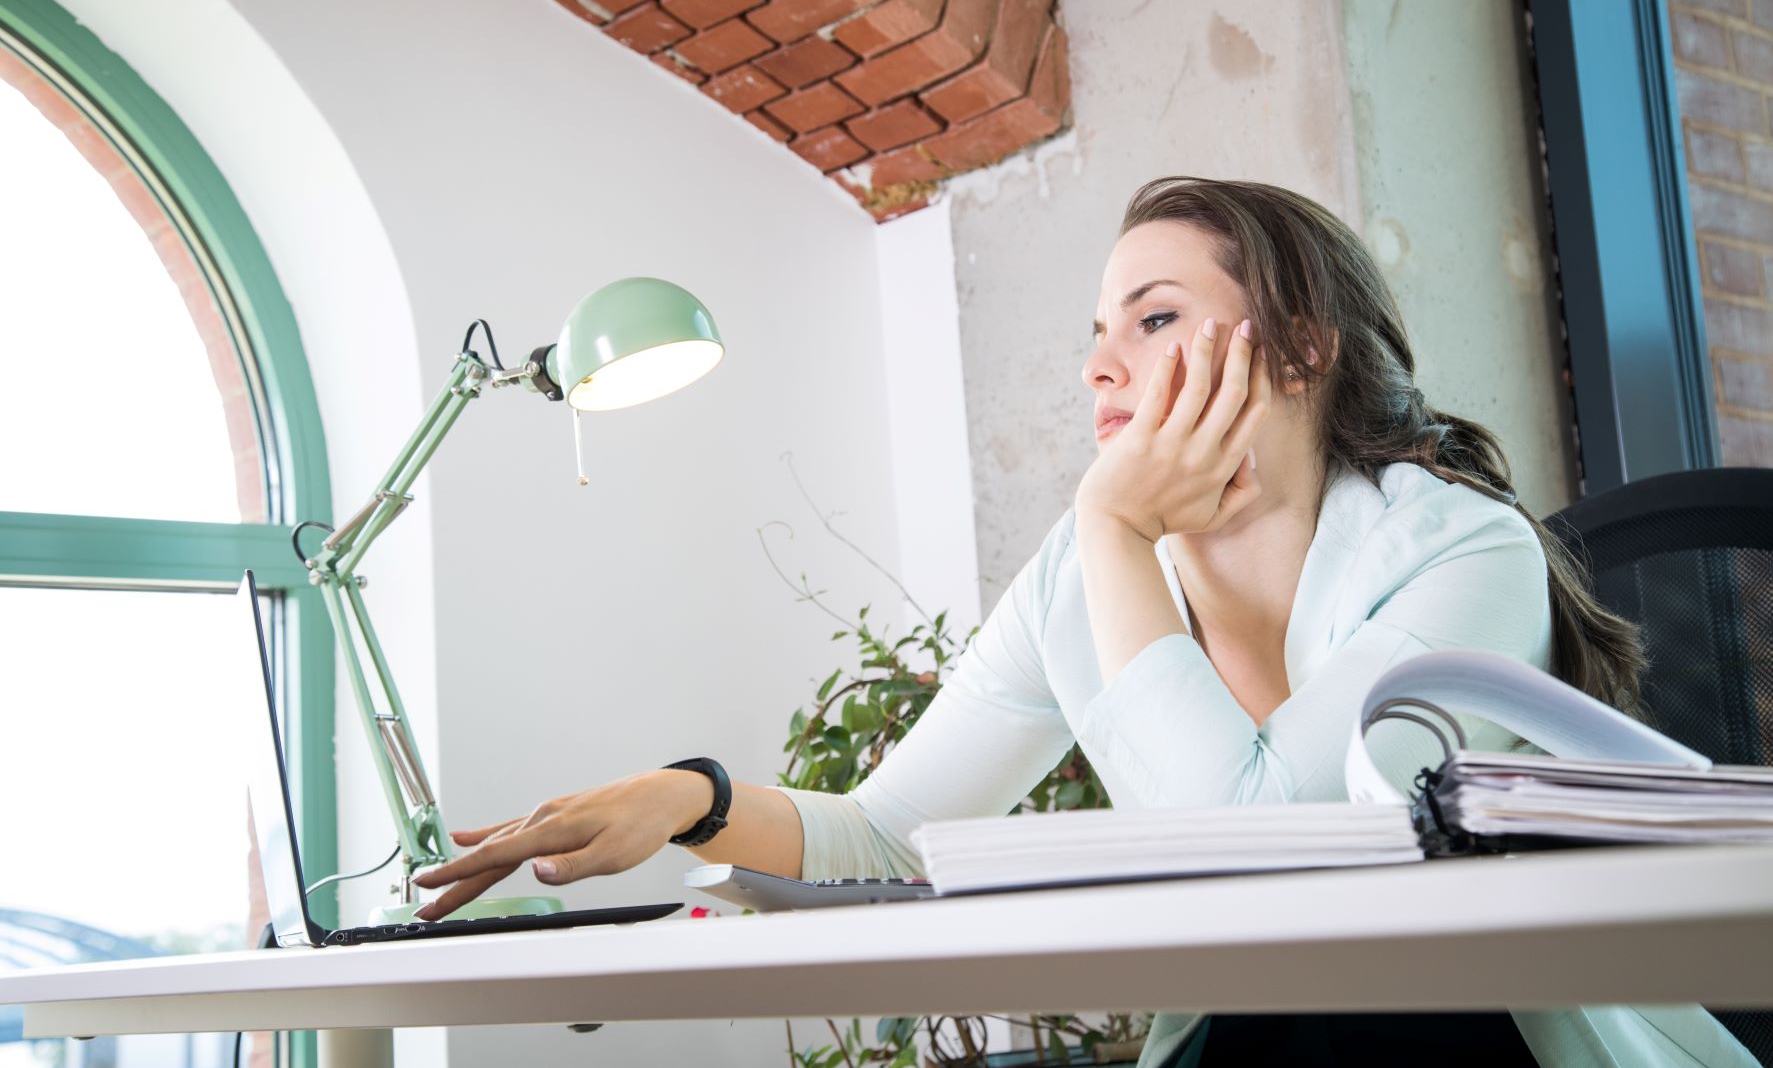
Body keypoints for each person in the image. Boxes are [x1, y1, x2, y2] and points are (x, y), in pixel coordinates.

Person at [413, 178, 1753, 1067]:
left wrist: (1118, 530)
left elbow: (1270, 873)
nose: (1097, 363)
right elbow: (889, 836)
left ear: (1295, 349)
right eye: (1095, 331)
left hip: (1468, 1038)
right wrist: (688, 797)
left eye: (1154, 317)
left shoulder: (1455, 547)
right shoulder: (1079, 573)